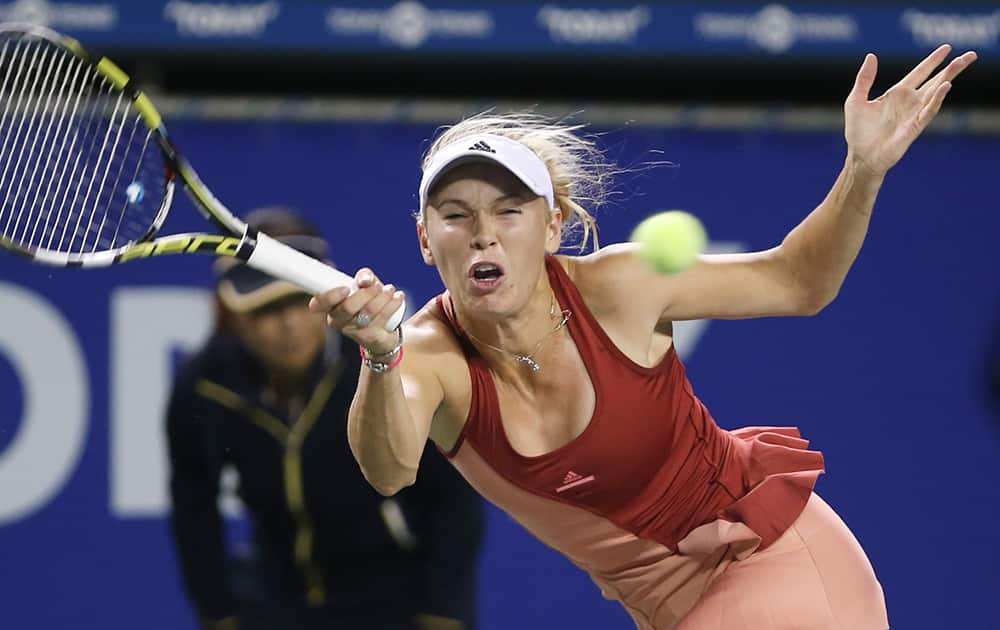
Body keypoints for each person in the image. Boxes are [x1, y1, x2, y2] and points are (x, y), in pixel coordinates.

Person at [309, 46, 977, 629]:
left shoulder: (620, 286)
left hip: (772, 555)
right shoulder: (427, 354)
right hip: (670, 608)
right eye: (455, 216)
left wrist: (862, 170)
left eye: (510, 211)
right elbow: (389, 470)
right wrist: (378, 353)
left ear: (552, 227)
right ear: (426, 240)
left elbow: (800, 282)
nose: (484, 232)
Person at [166, 208, 484, 630]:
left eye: (300, 301)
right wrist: (219, 614)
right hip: (270, 602)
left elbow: (453, 502)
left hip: (394, 603)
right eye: (266, 310)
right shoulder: (203, 385)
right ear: (234, 317)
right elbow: (194, 509)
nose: (289, 325)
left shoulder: (384, 370)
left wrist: (444, 613)